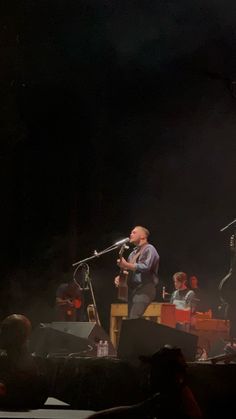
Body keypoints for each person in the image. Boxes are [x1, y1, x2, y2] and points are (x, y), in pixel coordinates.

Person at [115, 226, 159, 318]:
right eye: (131, 232)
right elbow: (130, 271)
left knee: (134, 318)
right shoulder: (132, 254)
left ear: (143, 236)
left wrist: (126, 265)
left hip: (145, 289)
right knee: (130, 320)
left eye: (134, 232)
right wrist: (121, 277)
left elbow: (146, 267)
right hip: (134, 292)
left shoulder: (149, 249)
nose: (131, 234)